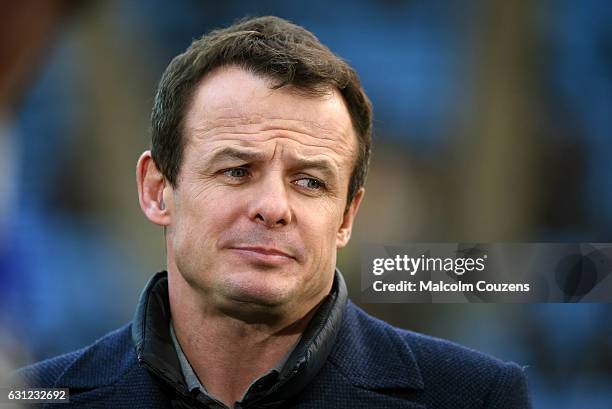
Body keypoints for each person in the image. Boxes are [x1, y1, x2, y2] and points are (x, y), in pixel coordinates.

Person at [17, 16, 531, 408]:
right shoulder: (36, 397)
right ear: (157, 191)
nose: (273, 208)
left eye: (309, 182)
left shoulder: (473, 397)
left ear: (347, 216)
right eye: (237, 170)